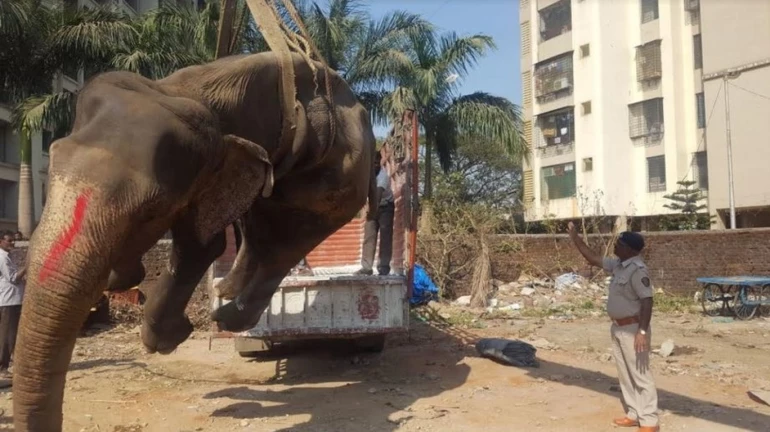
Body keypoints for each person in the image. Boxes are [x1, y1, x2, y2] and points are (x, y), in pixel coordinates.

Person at [567, 222, 659, 432]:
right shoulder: (618, 265)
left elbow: (647, 301)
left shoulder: (638, 270)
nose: (615, 246)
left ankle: (650, 420)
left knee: (640, 374)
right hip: (618, 328)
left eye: (619, 243)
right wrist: (575, 237)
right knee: (625, 374)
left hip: (634, 329)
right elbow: (592, 258)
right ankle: (634, 413)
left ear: (630, 249)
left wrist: (642, 332)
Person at [355, 151, 394, 276]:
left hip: (386, 207)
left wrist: (370, 212)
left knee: (385, 236)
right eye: (372, 163)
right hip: (373, 206)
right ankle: (366, 268)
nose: (375, 165)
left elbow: (376, 197)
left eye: (377, 163)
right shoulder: (365, 175)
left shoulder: (383, 176)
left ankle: (383, 268)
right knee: (369, 236)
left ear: (380, 162)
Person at [0, 230, 25, 377]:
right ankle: (2, 367)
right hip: (8, 301)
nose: (12, 243)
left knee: (12, 334)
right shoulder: (2, 258)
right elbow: (13, 278)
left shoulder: (8, 257)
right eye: (9, 241)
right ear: (1, 241)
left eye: (13, 241)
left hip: (14, 299)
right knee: (7, 335)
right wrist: (27, 266)